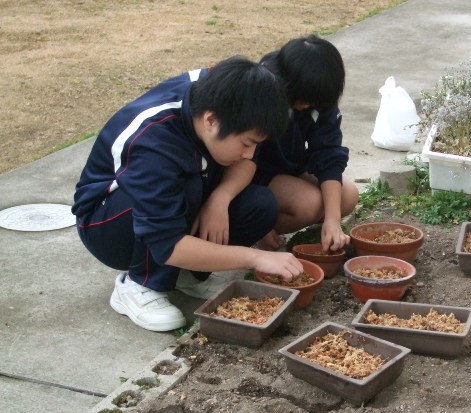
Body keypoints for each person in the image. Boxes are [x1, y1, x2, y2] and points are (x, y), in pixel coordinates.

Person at [72, 56, 304, 332]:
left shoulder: (230, 96)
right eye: (246, 143)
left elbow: (247, 163)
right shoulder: (152, 141)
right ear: (211, 121)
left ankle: (187, 273)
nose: (250, 154)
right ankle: (138, 285)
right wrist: (255, 257)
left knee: (260, 204)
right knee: (186, 186)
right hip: (107, 223)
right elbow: (165, 242)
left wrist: (219, 200)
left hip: (180, 191)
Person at [252, 35, 360, 252]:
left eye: (313, 102)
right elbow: (240, 158)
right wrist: (258, 227)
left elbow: (328, 153)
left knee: (347, 196)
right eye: (304, 100)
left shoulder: (318, 92)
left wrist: (333, 220)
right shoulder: (260, 89)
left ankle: (320, 234)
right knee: (309, 204)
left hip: (289, 168)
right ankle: (252, 231)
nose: (307, 106)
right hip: (252, 175)